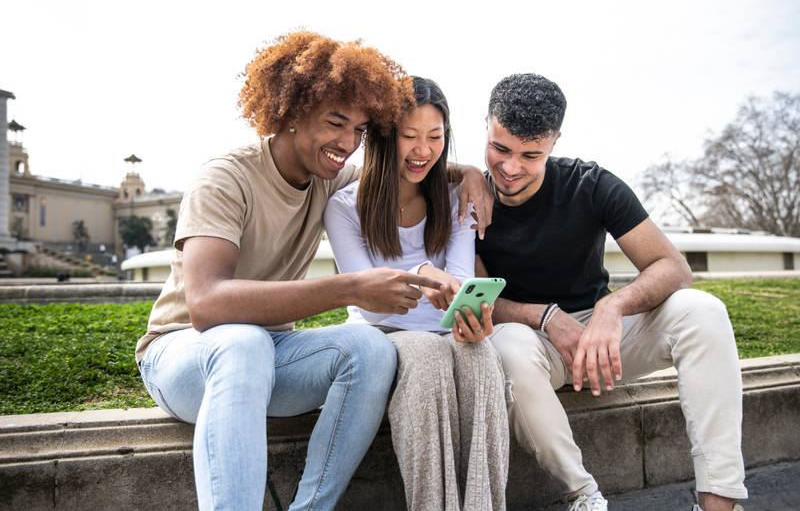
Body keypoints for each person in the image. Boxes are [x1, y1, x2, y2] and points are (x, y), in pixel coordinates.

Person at [135, 32, 491, 511]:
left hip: (272, 353)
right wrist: (351, 287)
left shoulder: (330, 174)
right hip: (185, 354)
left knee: (369, 348)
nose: (347, 144)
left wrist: (470, 173)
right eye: (335, 123)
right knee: (242, 342)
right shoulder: (225, 177)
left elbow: (411, 165)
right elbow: (206, 305)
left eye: (360, 131)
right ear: (291, 113)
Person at [475, 73, 747, 511]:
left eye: (531, 155)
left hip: (606, 342)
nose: (509, 168)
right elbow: (480, 298)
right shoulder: (469, 198)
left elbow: (673, 267)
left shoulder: (592, 184)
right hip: (529, 340)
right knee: (506, 344)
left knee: (703, 311)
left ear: (555, 141)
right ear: (486, 124)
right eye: (500, 149)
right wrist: (544, 316)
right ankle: (584, 496)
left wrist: (612, 307)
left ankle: (718, 501)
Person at [324, 76, 508, 511]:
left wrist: (467, 316)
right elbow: (369, 303)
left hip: (443, 333)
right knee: (427, 360)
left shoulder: (455, 199)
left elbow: (460, 282)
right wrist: (424, 273)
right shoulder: (346, 207)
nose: (423, 150)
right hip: (382, 333)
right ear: (386, 137)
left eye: (435, 137)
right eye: (410, 136)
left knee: (482, 360)